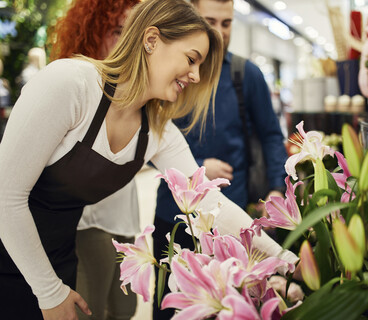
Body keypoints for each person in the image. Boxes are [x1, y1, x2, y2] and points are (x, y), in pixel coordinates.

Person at [0, 0, 297, 319]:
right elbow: (5, 196)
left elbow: (211, 204)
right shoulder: (71, 84)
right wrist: (48, 291)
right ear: (151, 40)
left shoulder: (157, 130)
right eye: (191, 59)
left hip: (58, 261)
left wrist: (287, 260)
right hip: (11, 256)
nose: (196, 76)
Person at [153, 0, 289, 317]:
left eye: (226, 23)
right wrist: (199, 169)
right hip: (173, 218)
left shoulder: (246, 74)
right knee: (172, 308)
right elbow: (148, 146)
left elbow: (271, 134)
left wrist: (275, 189)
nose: (219, 32)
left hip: (231, 218)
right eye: (209, 21)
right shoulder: (170, 73)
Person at [48, 0, 140, 319]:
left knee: (125, 308)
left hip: (126, 219)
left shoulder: (135, 91)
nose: (125, 43)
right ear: (92, 32)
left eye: (133, 33)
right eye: (116, 31)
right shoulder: (73, 87)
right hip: (88, 223)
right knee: (91, 308)